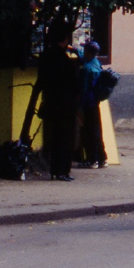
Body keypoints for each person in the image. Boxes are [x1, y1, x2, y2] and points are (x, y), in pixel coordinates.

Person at [37, 18, 79, 181]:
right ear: (65, 39)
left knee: (55, 137)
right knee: (66, 138)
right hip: (66, 104)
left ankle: (55, 170)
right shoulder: (64, 60)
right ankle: (63, 170)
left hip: (52, 101)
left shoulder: (46, 56)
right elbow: (73, 83)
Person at [77, 40, 107, 169]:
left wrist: (79, 106)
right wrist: (74, 50)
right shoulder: (96, 64)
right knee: (97, 131)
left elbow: (83, 89)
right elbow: (82, 57)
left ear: (88, 52)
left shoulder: (86, 69)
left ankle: (91, 160)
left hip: (87, 104)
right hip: (95, 102)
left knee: (88, 132)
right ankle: (102, 158)